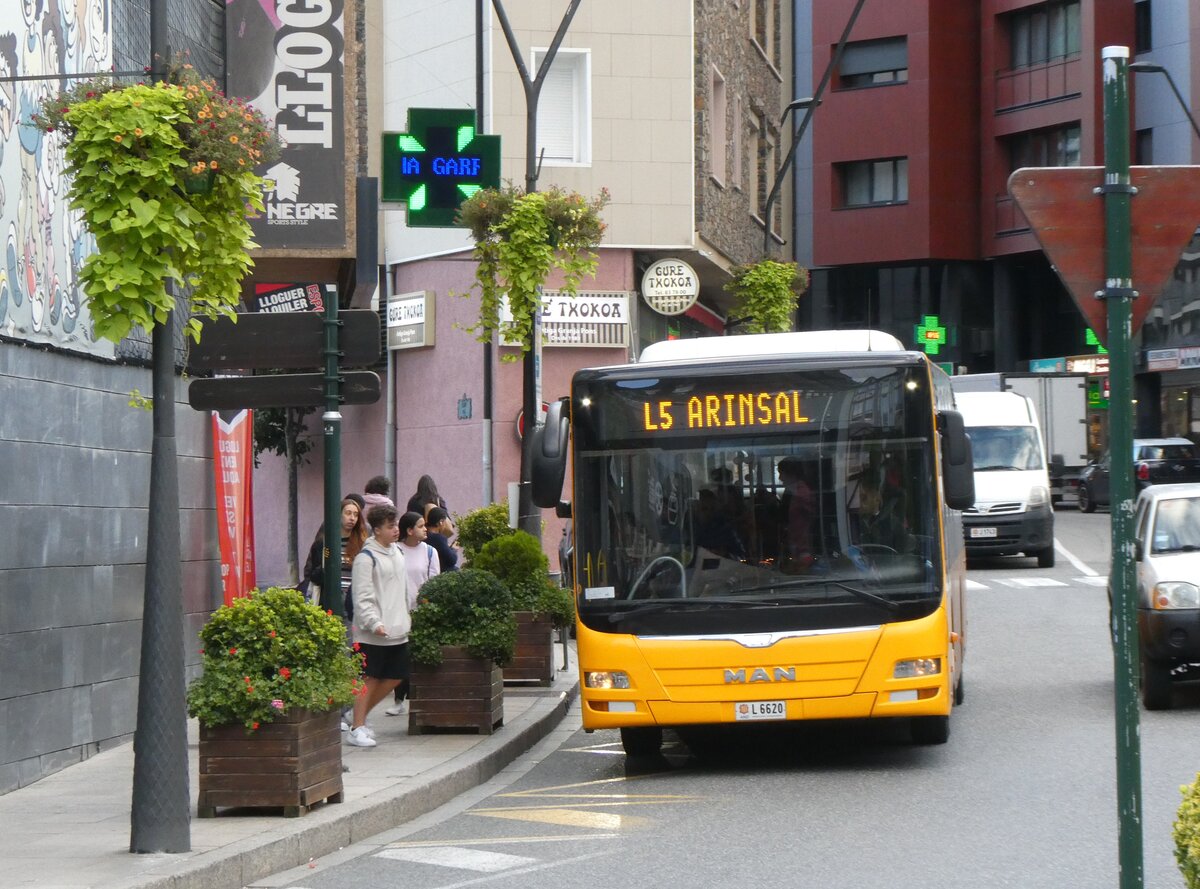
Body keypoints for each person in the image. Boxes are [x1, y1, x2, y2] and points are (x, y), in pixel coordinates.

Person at [346, 504, 417, 747]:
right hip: (372, 633)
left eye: (395, 525)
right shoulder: (366, 559)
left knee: (397, 676)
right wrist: (373, 622)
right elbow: (362, 596)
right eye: (390, 527)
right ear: (376, 530)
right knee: (369, 679)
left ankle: (358, 716)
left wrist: (408, 617)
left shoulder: (397, 552)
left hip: (398, 629)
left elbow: (403, 589)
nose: (396, 530)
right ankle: (356, 727)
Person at [384, 510, 441, 717]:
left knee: (418, 655)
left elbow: (434, 581)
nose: (425, 529)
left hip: (421, 613)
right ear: (409, 530)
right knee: (400, 656)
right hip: (398, 611)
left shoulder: (430, 552)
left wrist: (428, 604)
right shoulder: (394, 550)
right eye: (420, 526)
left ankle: (420, 698)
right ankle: (399, 699)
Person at [302, 496, 368, 612]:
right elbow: (311, 575)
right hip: (329, 602)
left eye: (356, 515)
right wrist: (325, 567)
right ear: (338, 515)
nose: (352, 518)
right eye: (348, 513)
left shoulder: (363, 544)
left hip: (355, 602)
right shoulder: (323, 544)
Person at [777, 457, 816, 571]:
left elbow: (811, 520)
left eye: (781, 473)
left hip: (803, 547)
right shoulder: (791, 492)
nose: (780, 478)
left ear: (791, 473)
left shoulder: (802, 494)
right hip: (794, 545)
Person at [424, 506, 460, 573]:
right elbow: (451, 560)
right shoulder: (438, 538)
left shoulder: (425, 536)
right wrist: (454, 549)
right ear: (441, 522)